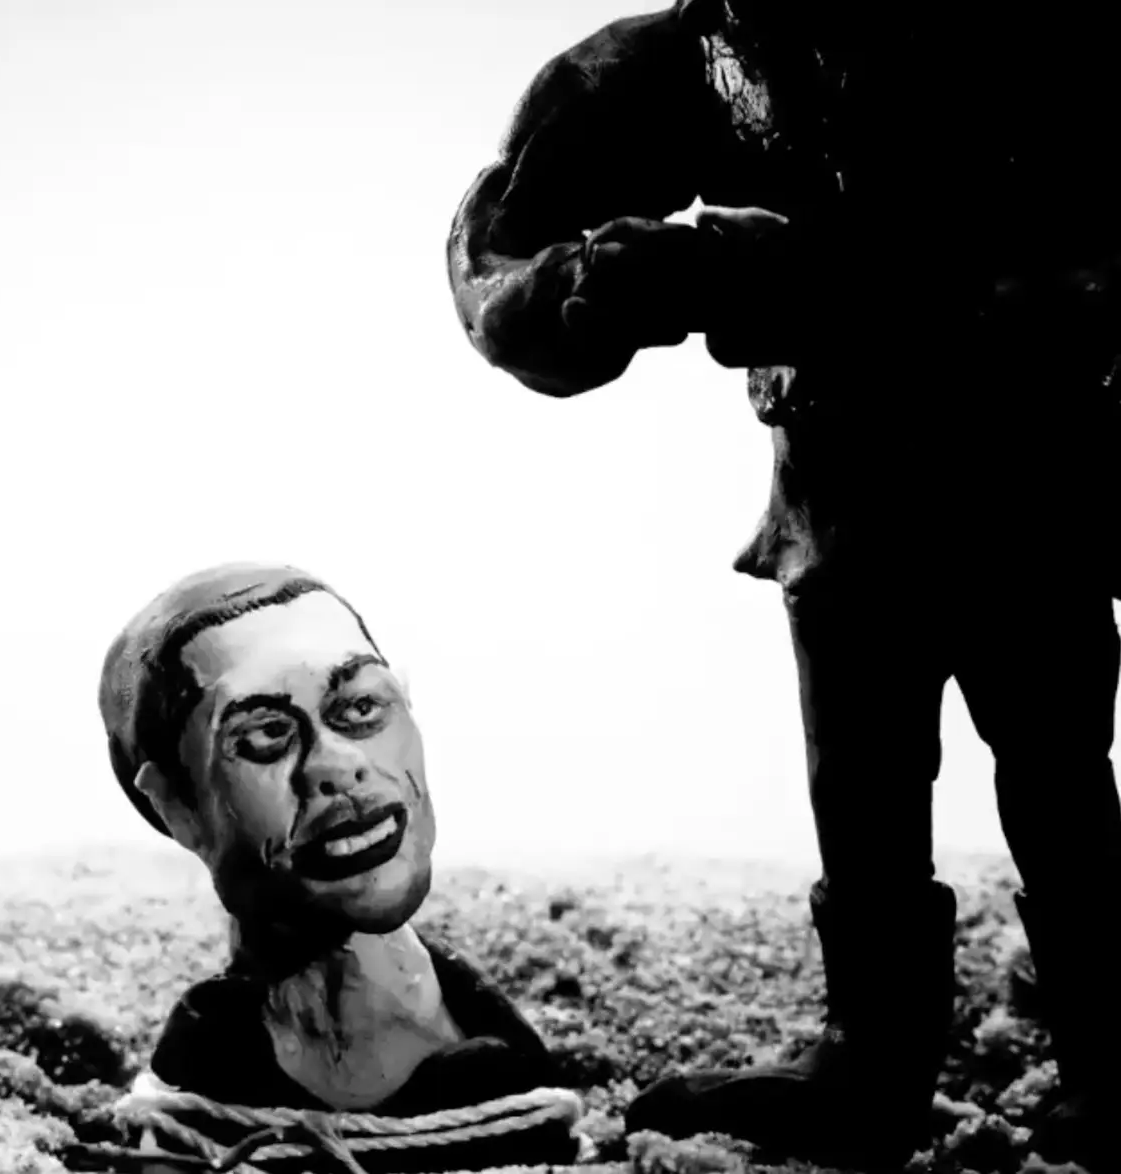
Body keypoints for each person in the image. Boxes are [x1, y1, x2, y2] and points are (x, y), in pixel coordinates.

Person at [444, 2, 1121, 1170]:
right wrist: (590, 286)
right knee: (863, 779)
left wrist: (786, 274)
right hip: (839, 492)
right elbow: (499, 266)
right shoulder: (689, 56)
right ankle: (873, 1059)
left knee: (1056, 771)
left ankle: (1111, 1053)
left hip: (1028, 478)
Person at [98, 563, 580, 1172]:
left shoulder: (498, 1056)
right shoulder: (206, 1070)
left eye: (361, 706)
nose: (337, 764)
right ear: (177, 805)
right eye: (266, 734)